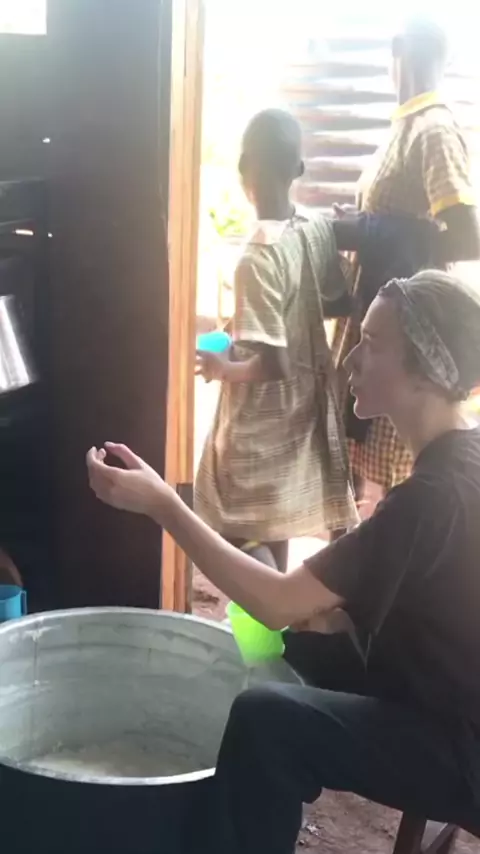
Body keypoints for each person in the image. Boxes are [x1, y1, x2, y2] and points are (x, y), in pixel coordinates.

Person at [88, 269, 480, 854]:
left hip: (461, 747)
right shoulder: (464, 459)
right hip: (447, 695)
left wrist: (164, 505)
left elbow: (274, 603)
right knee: (307, 648)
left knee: (267, 720)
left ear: (426, 372)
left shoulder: (430, 498)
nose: (351, 359)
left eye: (372, 344)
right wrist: (326, 616)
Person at [194, 108, 357, 567]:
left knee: (232, 525)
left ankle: (268, 601)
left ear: (244, 166)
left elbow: (273, 364)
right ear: (298, 169)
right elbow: (336, 300)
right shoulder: (314, 228)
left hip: (260, 420)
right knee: (273, 521)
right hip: (302, 410)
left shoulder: (257, 258)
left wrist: (223, 368)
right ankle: (276, 603)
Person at [333, 17, 480, 501]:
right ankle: (361, 546)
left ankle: (393, 545)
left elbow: (467, 236)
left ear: (397, 50)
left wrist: (379, 234)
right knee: (362, 455)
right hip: (377, 312)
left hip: (404, 333)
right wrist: (366, 224)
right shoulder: (405, 126)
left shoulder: (434, 129)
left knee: (394, 469)